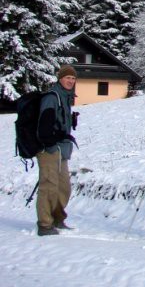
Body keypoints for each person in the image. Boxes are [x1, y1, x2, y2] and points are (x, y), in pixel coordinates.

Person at [35, 64, 78, 236]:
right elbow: (44, 123)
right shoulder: (52, 97)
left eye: (73, 78)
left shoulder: (66, 97)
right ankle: (45, 224)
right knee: (49, 186)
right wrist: (51, 139)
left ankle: (57, 218)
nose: (71, 81)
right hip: (49, 149)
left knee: (63, 187)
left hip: (62, 150)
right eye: (68, 78)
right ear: (60, 79)